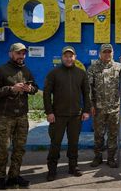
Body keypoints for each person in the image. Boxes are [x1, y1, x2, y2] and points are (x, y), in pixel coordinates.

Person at [0, 42, 38, 189]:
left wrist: (30, 89)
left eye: (23, 53)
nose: (21, 56)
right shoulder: (1, 71)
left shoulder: (27, 71)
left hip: (22, 116)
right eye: (18, 53)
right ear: (11, 54)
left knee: (19, 148)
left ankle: (14, 176)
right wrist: (11, 89)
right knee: (4, 147)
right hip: (5, 116)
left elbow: (35, 88)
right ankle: (0, 178)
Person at [43, 46, 91, 181]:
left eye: (71, 56)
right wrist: (49, 112)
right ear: (62, 57)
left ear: (75, 57)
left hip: (76, 116)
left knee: (74, 143)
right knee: (55, 143)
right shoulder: (53, 73)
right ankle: (52, 170)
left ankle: (73, 166)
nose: (68, 59)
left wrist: (86, 110)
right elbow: (46, 94)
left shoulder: (81, 73)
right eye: (66, 56)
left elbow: (86, 94)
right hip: (57, 116)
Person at [88, 44, 121, 168]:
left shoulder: (119, 67)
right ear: (100, 53)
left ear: (113, 53)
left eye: (109, 52)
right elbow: (89, 88)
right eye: (105, 52)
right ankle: (97, 157)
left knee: (113, 135)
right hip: (99, 108)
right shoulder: (93, 68)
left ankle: (111, 158)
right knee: (98, 134)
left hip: (114, 108)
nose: (107, 54)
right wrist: (90, 105)